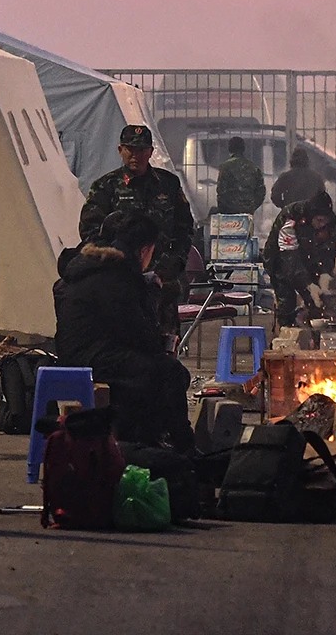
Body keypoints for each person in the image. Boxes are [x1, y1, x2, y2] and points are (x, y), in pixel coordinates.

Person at [53, 214, 194, 451]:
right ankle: (183, 447)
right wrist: (150, 296)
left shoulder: (88, 267)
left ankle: (147, 440)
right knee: (170, 373)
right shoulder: (118, 276)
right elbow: (142, 336)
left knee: (149, 371)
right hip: (93, 359)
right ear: (145, 250)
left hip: (75, 353)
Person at [79, 125, 196, 331]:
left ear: (150, 152)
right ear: (120, 150)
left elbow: (184, 227)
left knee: (165, 342)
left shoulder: (168, 184)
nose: (136, 156)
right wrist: (113, 264)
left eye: (141, 150)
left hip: (162, 281)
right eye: (130, 150)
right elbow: (90, 233)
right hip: (121, 283)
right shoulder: (106, 186)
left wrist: (174, 262)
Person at [262, 188, 336, 326]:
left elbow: (329, 249)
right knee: (287, 303)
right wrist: (308, 285)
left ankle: (313, 337)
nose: (322, 225)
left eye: (325, 221)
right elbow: (289, 259)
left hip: (309, 257)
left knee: (318, 303)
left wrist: (325, 273)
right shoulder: (291, 217)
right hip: (280, 260)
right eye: (319, 220)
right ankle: (285, 337)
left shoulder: (330, 222)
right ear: (311, 216)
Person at [215, 136, 266, 218]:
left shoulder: (225, 167)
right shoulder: (254, 168)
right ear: (243, 149)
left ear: (229, 149)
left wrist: (223, 209)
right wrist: (251, 206)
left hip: (229, 211)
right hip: (248, 211)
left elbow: (221, 191)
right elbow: (261, 191)